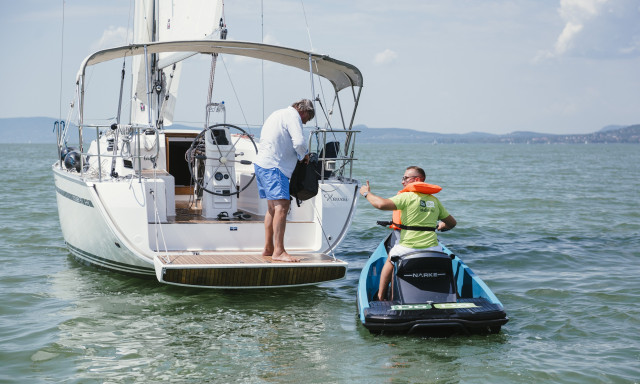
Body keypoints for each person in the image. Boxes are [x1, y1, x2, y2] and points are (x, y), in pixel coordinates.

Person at [359, 166, 457, 300]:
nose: (402, 182)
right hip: (433, 248)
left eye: (405, 178)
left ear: (416, 179)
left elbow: (380, 204)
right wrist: (441, 226)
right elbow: (452, 223)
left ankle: (381, 297)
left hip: (408, 248)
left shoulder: (407, 197)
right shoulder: (434, 201)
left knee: (390, 260)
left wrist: (366, 193)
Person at [254, 99, 315, 262]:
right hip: (275, 167)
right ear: (304, 111)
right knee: (283, 206)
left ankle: (268, 248)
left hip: (261, 165)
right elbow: (299, 142)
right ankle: (279, 252)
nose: (304, 122)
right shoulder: (293, 116)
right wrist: (304, 156)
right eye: (306, 119)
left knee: (272, 208)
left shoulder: (277, 113)